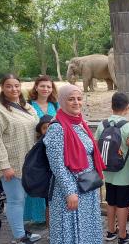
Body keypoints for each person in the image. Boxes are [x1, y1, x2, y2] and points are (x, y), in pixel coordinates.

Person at [43, 84, 105, 244]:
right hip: (70, 191)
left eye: (79, 98)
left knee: (87, 229)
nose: (76, 102)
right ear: (62, 101)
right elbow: (57, 165)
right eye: (71, 99)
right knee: (70, 232)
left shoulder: (79, 123)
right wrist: (70, 192)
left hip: (86, 187)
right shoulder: (57, 128)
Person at [0, 74, 41, 244]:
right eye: (9, 86)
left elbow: (36, 129)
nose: (14, 89)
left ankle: (22, 230)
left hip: (28, 162)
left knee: (22, 198)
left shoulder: (26, 107)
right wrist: (4, 166)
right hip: (11, 164)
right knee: (15, 200)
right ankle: (19, 237)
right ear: (2, 88)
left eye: (16, 85)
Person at [94, 92, 129, 243]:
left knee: (111, 203)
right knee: (123, 205)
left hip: (108, 172)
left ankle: (111, 231)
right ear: (127, 107)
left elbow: (96, 144)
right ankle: (123, 236)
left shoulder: (102, 124)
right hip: (124, 174)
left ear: (111, 106)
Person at [25, 75, 59, 225]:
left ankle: (52, 216)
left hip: (52, 149)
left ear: (52, 89)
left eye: (49, 86)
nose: (45, 89)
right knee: (38, 180)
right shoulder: (27, 106)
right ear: (36, 87)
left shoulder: (55, 105)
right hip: (36, 148)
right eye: (42, 86)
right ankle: (38, 216)